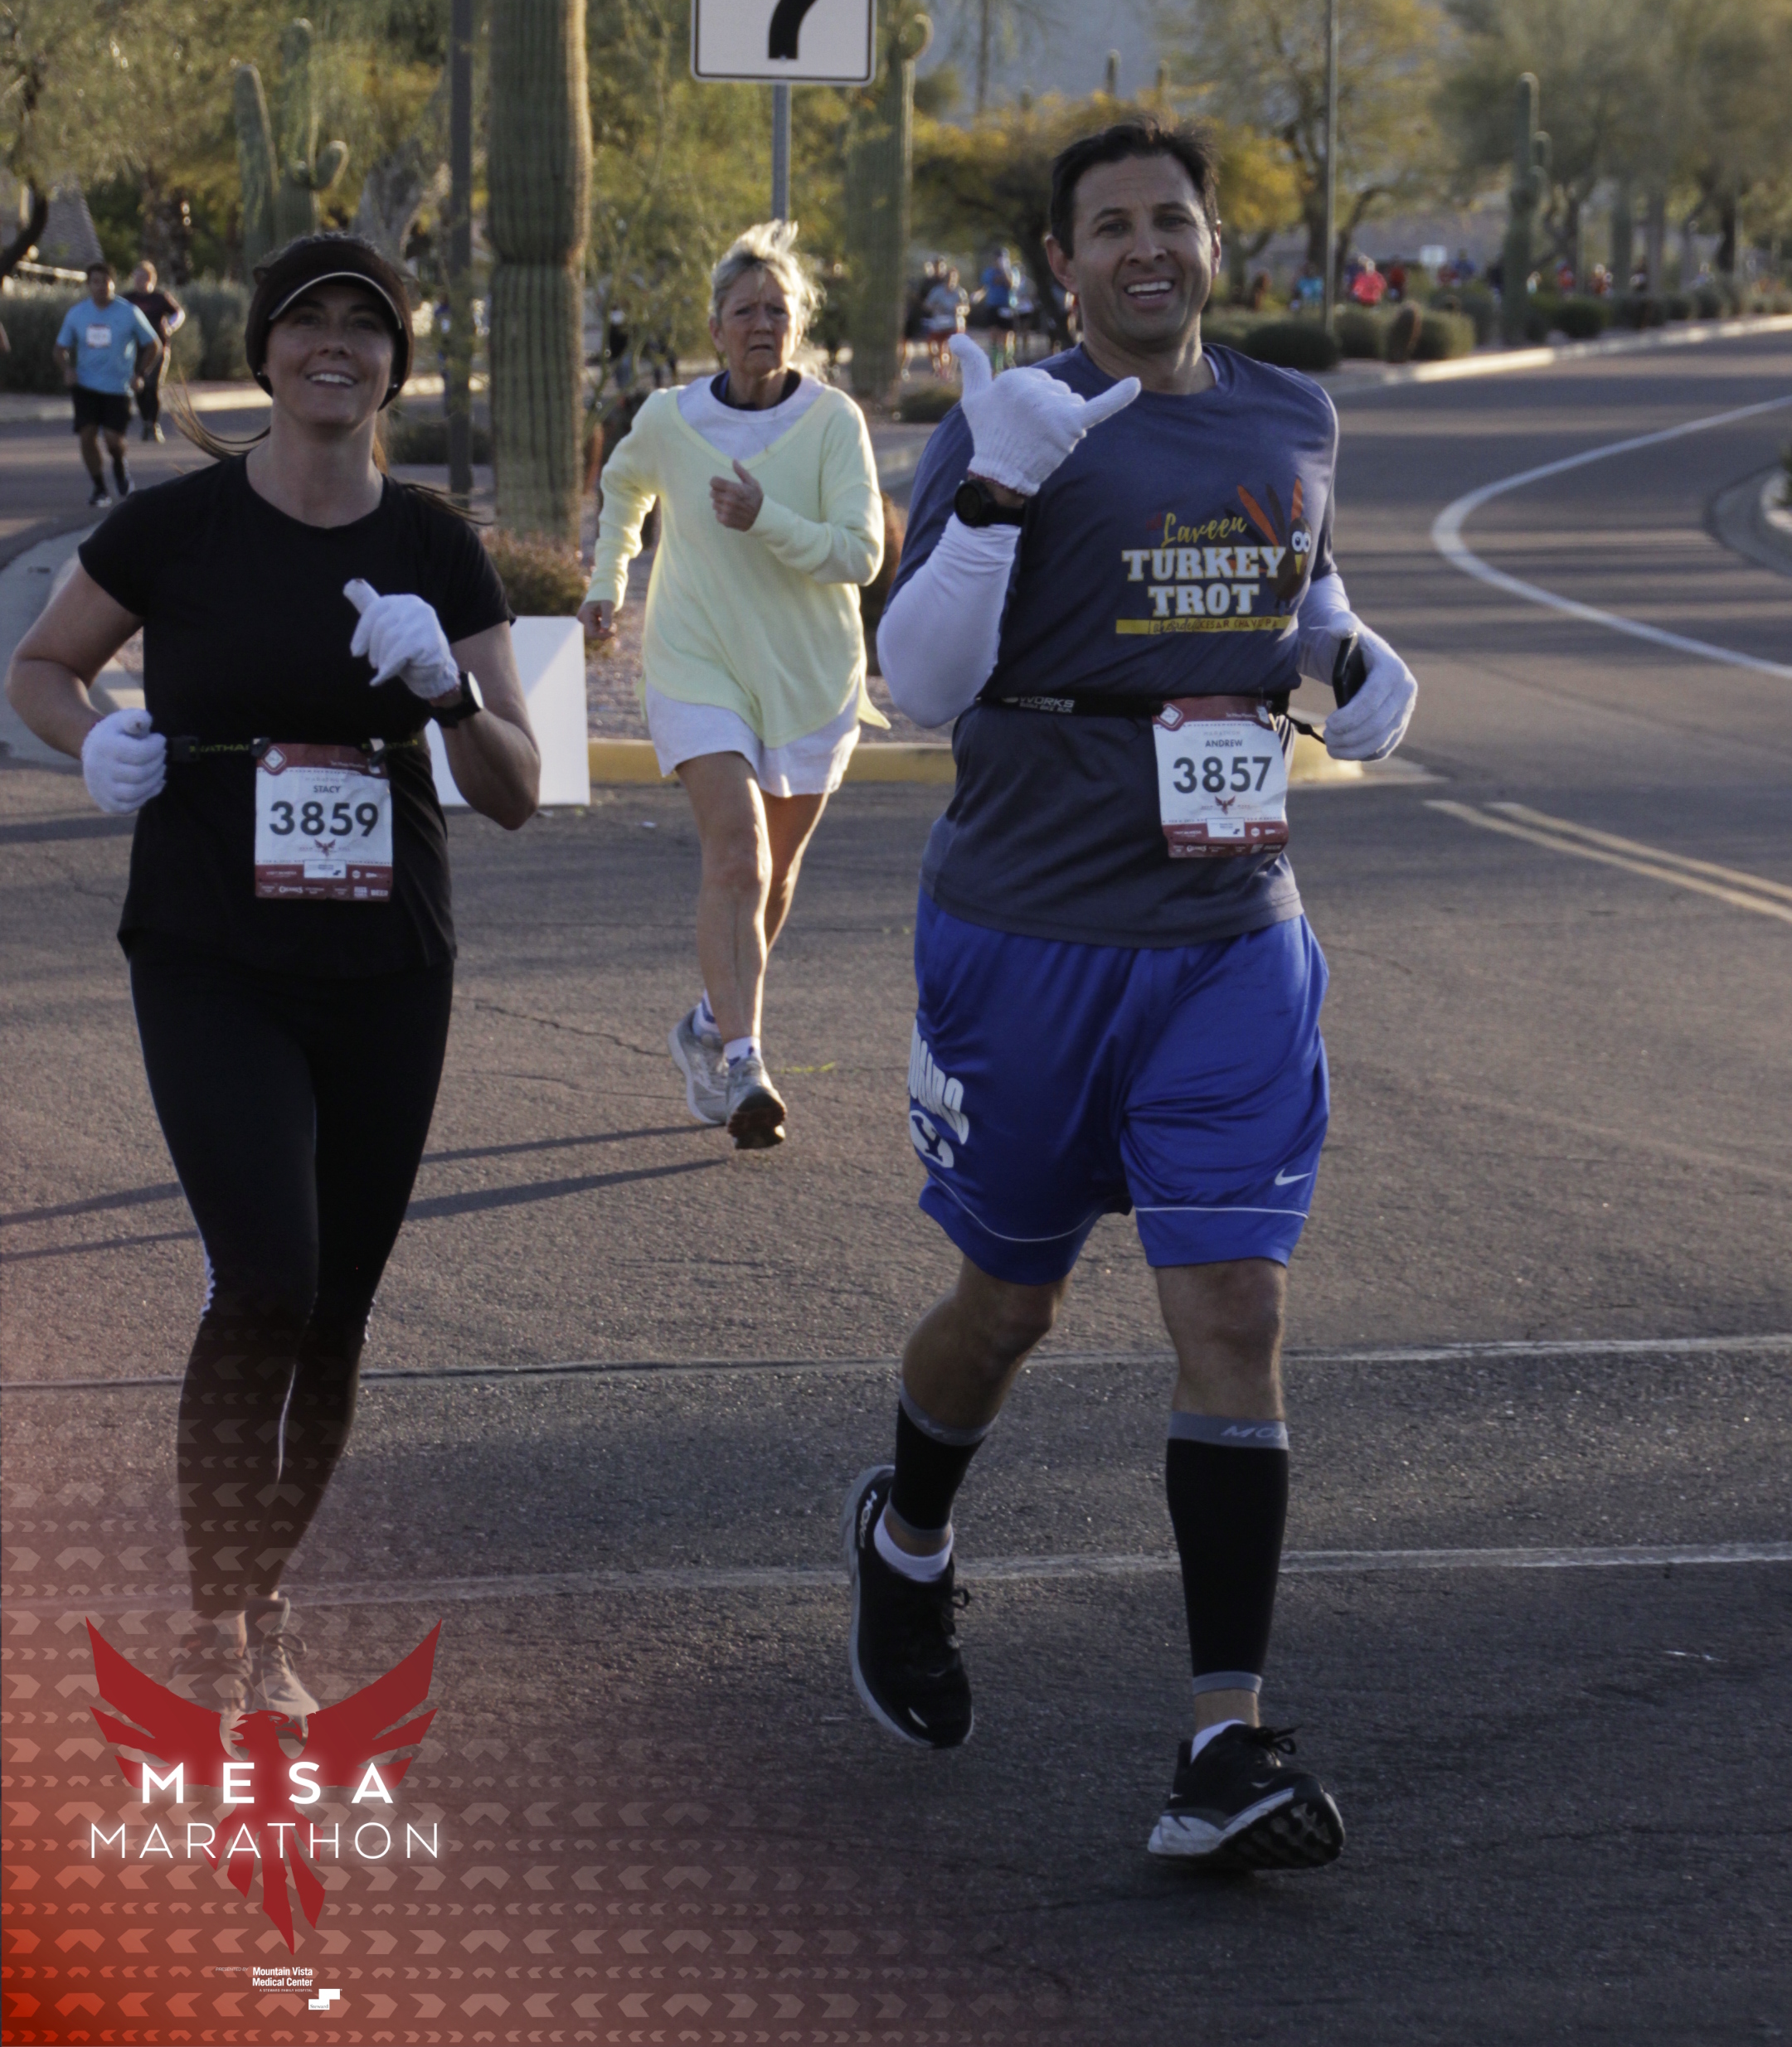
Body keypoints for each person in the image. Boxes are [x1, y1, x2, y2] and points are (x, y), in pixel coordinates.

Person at [842, 117, 1418, 1872]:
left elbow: (1297, 585)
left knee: (1233, 1306)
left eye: (1173, 217)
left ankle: (1222, 1742)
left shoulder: (1287, 415)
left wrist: (1347, 658)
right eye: (1110, 226)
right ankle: (907, 1536)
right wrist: (997, 493)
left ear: (1212, 242)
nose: (1146, 247)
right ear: (1061, 261)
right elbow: (918, 684)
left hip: (1231, 934)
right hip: (1026, 939)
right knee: (1005, 1308)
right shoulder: (1008, 422)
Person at [6, 234, 539, 1742]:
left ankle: (260, 1598)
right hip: (209, 952)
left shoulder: (435, 547)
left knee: (337, 1312)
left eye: (365, 327)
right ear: (264, 349)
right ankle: (224, 1619)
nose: (334, 346)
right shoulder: (175, 527)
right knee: (267, 1280)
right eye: (308, 321)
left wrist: (444, 688)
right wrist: (93, 740)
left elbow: (514, 784)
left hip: (387, 961)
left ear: (396, 365)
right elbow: (42, 668)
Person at [579, 222, 884, 1151]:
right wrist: (607, 585)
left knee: (775, 876)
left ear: (799, 327)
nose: (761, 324)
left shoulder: (834, 421)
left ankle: (709, 1023)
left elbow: (861, 555)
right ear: (715, 328)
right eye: (744, 310)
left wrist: (766, 517)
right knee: (739, 859)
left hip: (809, 676)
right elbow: (624, 489)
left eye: (777, 310)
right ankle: (746, 1063)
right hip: (695, 663)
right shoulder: (670, 419)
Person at [55, 260, 160, 507]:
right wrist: (67, 369)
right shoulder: (77, 314)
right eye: (96, 282)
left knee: (113, 439)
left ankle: (120, 467)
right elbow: (59, 349)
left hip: (117, 388)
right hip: (86, 386)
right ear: (89, 285)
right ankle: (99, 488)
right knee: (87, 436)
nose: (101, 286)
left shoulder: (128, 312)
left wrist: (140, 373)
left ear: (113, 283)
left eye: (106, 281)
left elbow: (153, 345)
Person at [126, 260, 186, 441]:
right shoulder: (127, 299)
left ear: (152, 279)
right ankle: (146, 421)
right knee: (139, 386)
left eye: (145, 277)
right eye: (138, 277)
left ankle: (153, 424)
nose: (141, 281)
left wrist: (171, 326)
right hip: (134, 350)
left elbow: (179, 313)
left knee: (152, 385)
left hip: (158, 349)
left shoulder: (160, 298)